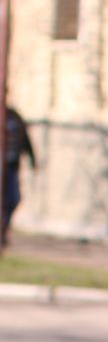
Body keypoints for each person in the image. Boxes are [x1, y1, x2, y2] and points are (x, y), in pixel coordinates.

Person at [3, 107, 37, 251]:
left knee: (14, 198)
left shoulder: (14, 116)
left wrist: (33, 159)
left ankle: (3, 228)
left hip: (11, 167)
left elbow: (25, 138)